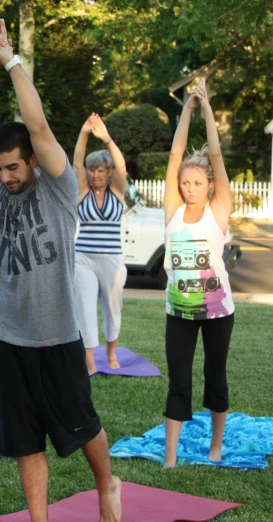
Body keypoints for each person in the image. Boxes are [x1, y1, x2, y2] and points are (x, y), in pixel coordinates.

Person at [0, 20, 121, 522]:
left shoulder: (56, 186)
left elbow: (39, 127)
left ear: (32, 161)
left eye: (13, 167)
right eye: (0, 167)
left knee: (83, 424)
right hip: (8, 339)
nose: (5, 176)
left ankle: (106, 483)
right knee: (25, 439)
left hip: (57, 336)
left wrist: (12, 61)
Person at [162, 78, 234, 468]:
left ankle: (216, 446)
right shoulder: (173, 210)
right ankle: (170, 456)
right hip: (179, 313)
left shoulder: (217, 210)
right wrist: (186, 110)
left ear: (209, 186)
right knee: (179, 382)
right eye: (185, 183)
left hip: (219, 313)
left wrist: (206, 107)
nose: (189, 188)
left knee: (215, 378)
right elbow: (176, 155)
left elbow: (218, 157)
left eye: (196, 183)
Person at [72, 113, 128, 374]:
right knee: (85, 306)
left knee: (112, 307)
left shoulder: (117, 191)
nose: (95, 174)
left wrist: (105, 138)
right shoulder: (82, 191)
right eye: (92, 170)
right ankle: (90, 360)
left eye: (100, 170)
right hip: (83, 257)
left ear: (108, 174)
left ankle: (111, 352)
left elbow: (122, 167)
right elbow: (76, 165)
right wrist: (84, 133)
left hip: (112, 260)